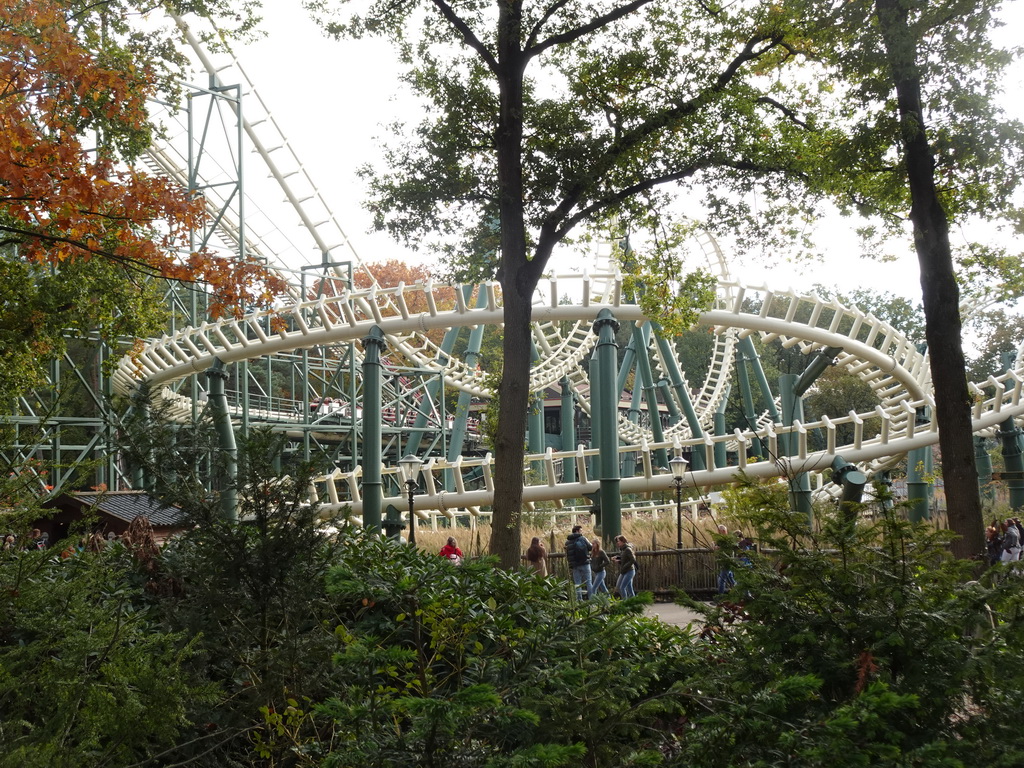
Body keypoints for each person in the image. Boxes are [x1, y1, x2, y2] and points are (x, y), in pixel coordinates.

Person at [565, 525, 592, 600]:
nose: (582, 531)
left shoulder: (567, 542)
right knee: (588, 582)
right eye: (581, 530)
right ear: (577, 531)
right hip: (585, 563)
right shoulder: (582, 538)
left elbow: (568, 554)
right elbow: (590, 547)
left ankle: (579, 600)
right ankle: (591, 600)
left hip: (575, 565)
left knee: (577, 583)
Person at [715, 524, 736, 594]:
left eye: (719, 531)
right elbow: (715, 546)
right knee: (731, 580)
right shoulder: (720, 540)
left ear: (723, 531)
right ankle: (739, 593)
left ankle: (720, 597)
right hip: (724, 562)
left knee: (721, 580)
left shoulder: (728, 540)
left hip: (727, 562)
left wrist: (720, 548)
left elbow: (729, 550)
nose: (718, 533)